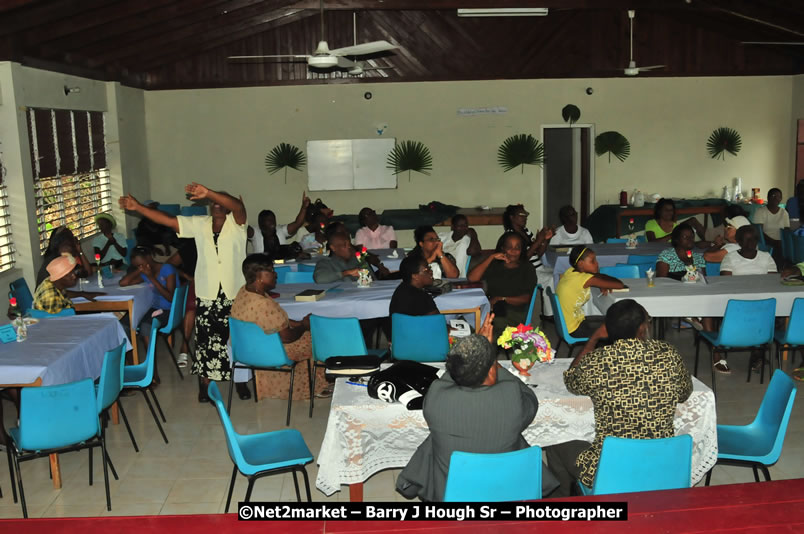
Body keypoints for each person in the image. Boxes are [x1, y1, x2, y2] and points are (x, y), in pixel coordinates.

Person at [396, 316, 558, 502]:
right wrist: (490, 357)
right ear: (491, 372)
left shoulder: (436, 397)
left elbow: (450, 377)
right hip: (505, 488)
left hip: (451, 493)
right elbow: (530, 398)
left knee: (432, 442)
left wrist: (469, 358)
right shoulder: (511, 394)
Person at [545, 299, 692, 497]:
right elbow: (684, 393)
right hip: (661, 460)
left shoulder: (597, 361)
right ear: (642, 328)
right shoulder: (669, 354)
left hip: (610, 467)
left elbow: (572, 381)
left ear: (607, 328)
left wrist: (593, 339)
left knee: (557, 443)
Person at [120, 183, 247, 403]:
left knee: (238, 338)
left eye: (220, 202)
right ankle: (205, 383)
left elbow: (237, 205)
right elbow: (167, 220)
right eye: (213, 203)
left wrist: (209, 192)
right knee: (206, 340)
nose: (216, 205)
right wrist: (138, 207)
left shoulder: (238, 224)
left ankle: (242, 381)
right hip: (207, 292)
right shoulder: (200, 224)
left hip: (235, 292)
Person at [230, 254, 326, 400]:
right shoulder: (263, 304)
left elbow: (277, 322)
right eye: (271, 270)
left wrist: (300, 324)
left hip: (246, 350)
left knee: (311, 333)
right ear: (259, 276)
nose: (275, 274)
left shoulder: (245, 292)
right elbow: (287, 337)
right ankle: (319, 385)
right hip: (271, 352)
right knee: (319, 339)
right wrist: (304, 327)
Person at [468, 232, 537, 339]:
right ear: (502, 248)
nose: (513, 251)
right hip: (492, 309)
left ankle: (486, 349)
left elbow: (527, 298)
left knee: (487, 325)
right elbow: (472, 278)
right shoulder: (495, 265)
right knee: (469, 321)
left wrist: (501, 298)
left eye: (517, 247)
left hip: (515, 311)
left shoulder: (527, 268)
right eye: (509, 247)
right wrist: (491, 257)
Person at [119, 246, 178, 360]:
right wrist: (140, 270)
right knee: (124, 323)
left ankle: (151, 371)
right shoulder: (145, 273)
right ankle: (133, 364)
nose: (141, 267)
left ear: (149, 258)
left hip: (169, 310)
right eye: (137, 266)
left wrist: (152, 278)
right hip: (154, 309)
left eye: (141, 264)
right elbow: (123, 283)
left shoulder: (167, 269)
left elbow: (171, 298)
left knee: (146, 326)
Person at [555, 245, 626, 339]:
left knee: (613, 320)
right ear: (580, 264)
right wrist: (602, 282)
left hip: (568, 324)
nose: (597, 264)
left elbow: (596, 278)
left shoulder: (570, 271)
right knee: (618, 326)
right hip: (574, 329)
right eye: (592, 261)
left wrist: (601, 282)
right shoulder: (584, 279)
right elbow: (620, 285)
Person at [33, 254, 104, 314]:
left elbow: (62, 293)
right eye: (70, 274)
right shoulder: (50, 296)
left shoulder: (53, 282)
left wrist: (82, 294)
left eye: (74, 272)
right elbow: (55, 322)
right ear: (60, 277)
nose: (74, 276)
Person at [502, 204, 553, 272]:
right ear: (512, 217)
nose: (525, 217)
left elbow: (538, 254)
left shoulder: (526, 231)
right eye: (521, 215)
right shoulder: (511, 236)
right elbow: (521, 260)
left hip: (539, 268)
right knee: (555, 278)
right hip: (528, 272)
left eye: (526, 215)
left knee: (561, 273)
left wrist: (546, 239)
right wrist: (538, 241)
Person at [438, 214, 481, 278]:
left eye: (465, 225)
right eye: (460, 226)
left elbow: (472, 252)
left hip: (458, 277)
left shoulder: (467, 240)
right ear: (452, 227)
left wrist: (473, 234)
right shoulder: (442, 237)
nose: (463, 228)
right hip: (440, 274)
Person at [753, 187, 789, 263]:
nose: (776, 198)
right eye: (773, 196)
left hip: (780, 242)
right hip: (765, 241)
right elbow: (759, 232)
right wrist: (774, 241)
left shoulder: (784, 213)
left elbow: (786, 231)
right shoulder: (761, 211)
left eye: (779, 196)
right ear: (768, 197)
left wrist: (783, 241)